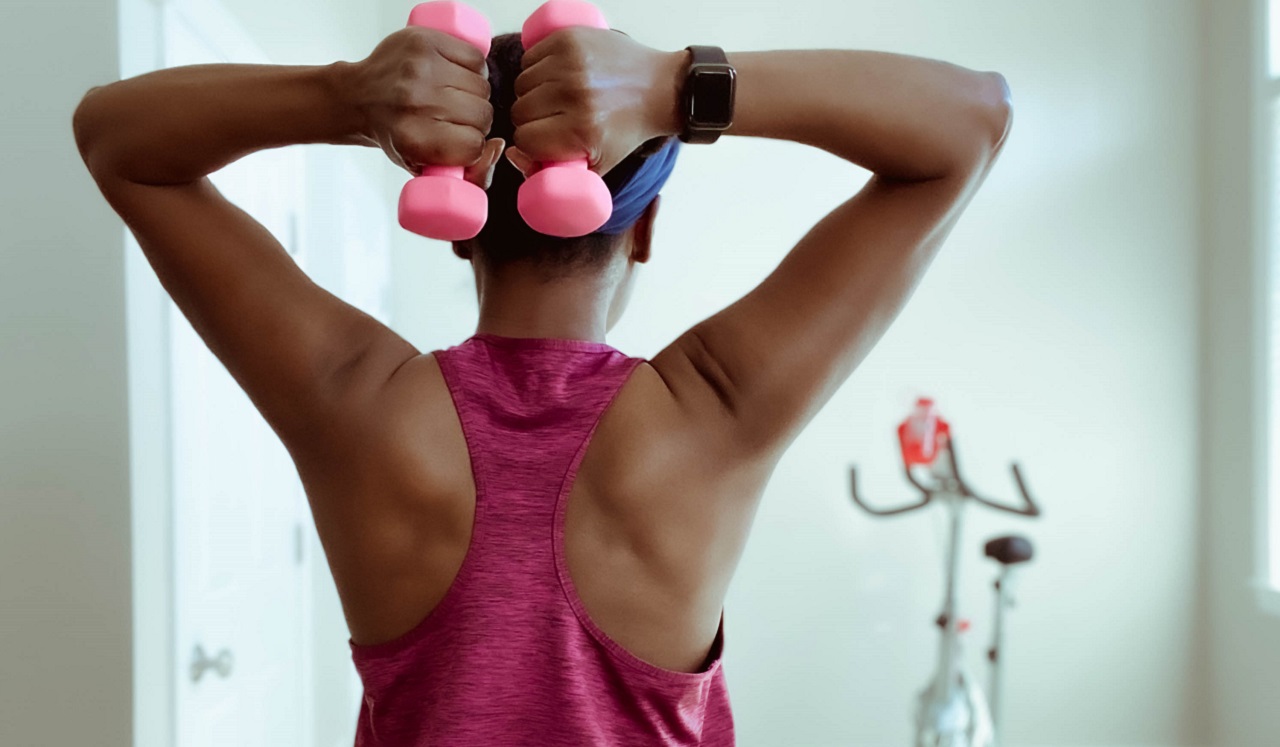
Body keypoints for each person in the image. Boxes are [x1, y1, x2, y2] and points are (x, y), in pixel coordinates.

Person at [73, 17, 1011, 747]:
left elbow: (117, 139)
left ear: (457, 220)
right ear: (641, 230)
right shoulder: (713, 411)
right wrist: (674, 84)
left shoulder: (354, 400)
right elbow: (971, 121)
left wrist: (351, 96)